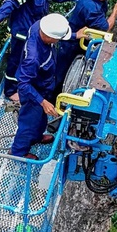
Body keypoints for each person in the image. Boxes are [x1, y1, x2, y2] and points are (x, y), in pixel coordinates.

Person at [9, 13, 74, 159]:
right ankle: (18, 152)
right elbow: (24, 83)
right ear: (49, 37)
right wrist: (42, 101)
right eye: (58, 39)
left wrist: (75, 35)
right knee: (28, 123)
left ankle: (37, 137)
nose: (58, 41)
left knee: (40, 117)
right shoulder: (33, 57)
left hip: (43, 84)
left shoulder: (40, 25)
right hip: (33, 91)